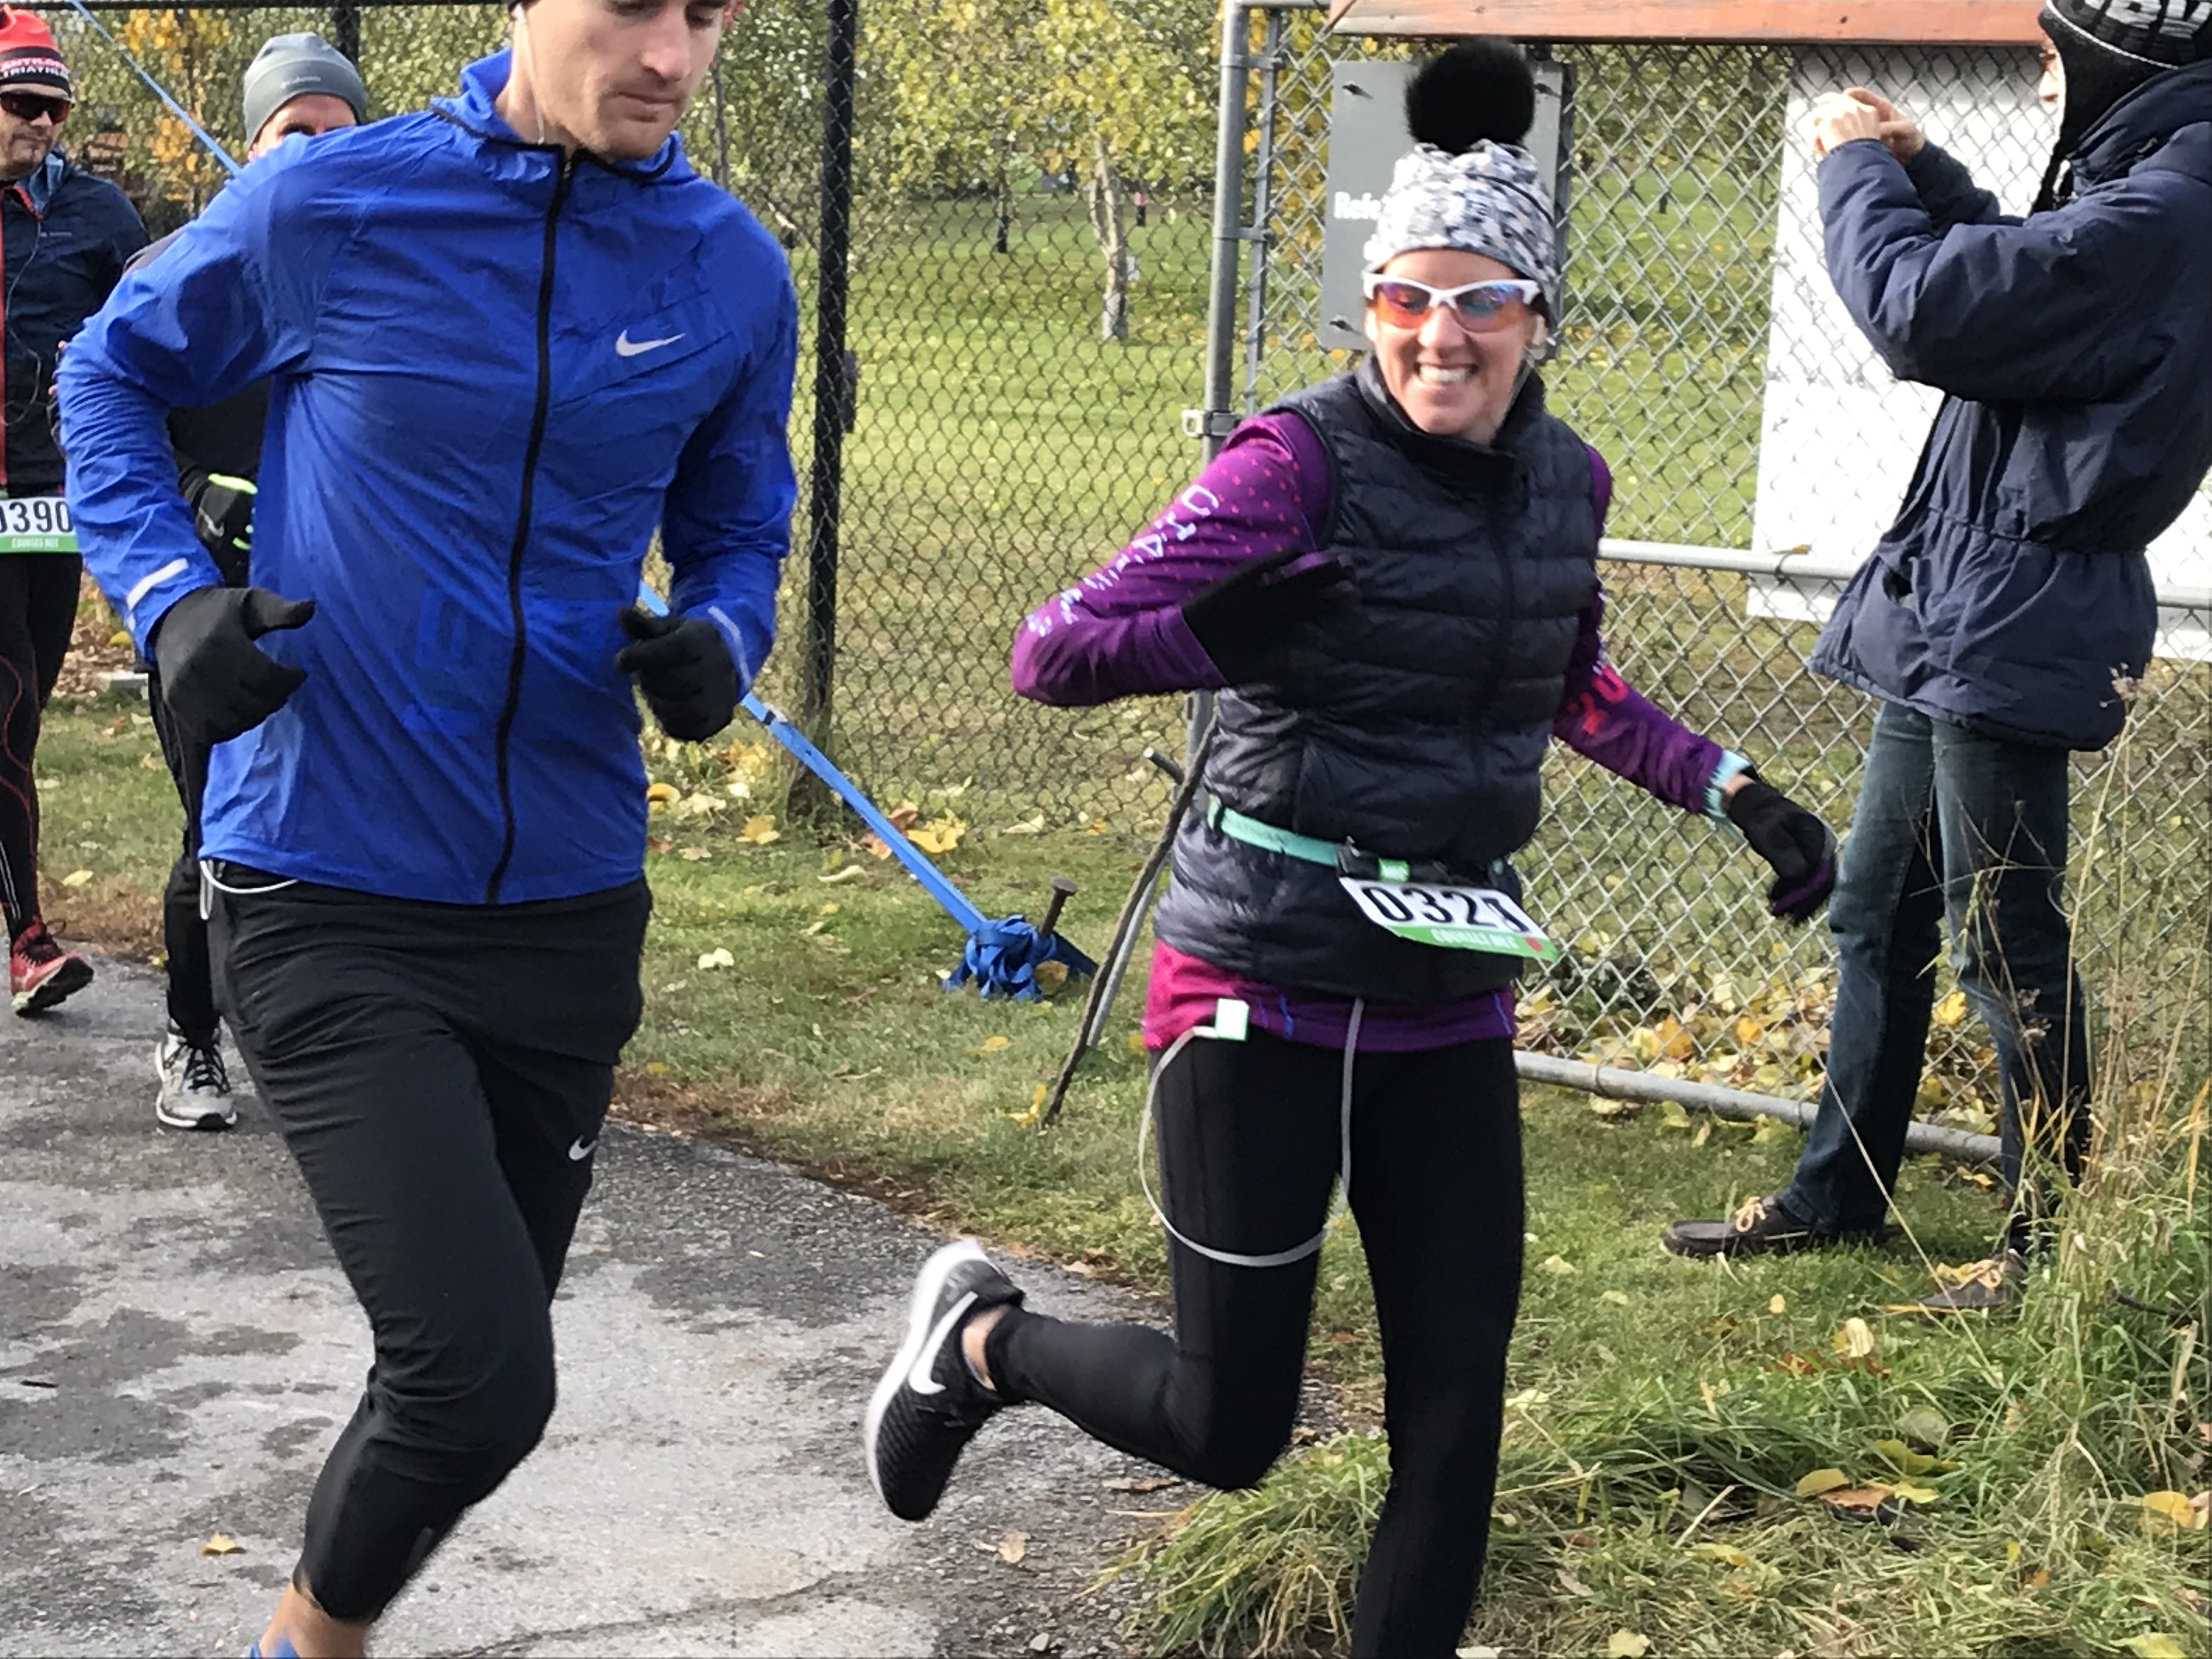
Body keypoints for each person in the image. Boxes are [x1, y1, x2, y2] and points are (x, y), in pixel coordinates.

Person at [861, 42, 1835, 1659]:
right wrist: (1214, 628)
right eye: (1405, 301)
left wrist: (1733, 787)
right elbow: (1053, 652)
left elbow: (1568, 679)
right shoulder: (1291, 464)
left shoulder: (1569, 481)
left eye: (1479, 300)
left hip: (1445, 990)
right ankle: (983, 1346)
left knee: (1453, 1435)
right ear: (1369, 309)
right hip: (1264, 978)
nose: (1439, 336)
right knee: (1229, 1425)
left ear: (1538, 315)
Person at [59, 0, 795, 1648]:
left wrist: (722, 640)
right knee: (479, 1383)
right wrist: (175, 599)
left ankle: (307, 1633)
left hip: (570, 900)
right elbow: (108, 370)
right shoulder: (335, 205)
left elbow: (744, 521)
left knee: (463, 1384)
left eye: (711, 12)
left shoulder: (731, 267)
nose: (673, 56)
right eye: (633, 9)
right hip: (325, 876)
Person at [1662, 0, 2212, 1310]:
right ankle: (1836, 1192)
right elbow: (2027, 286)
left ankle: (2046, 1250)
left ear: (2119, 56)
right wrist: (1927, 174)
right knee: (1881, 908)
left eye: (2048, 58)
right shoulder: (2148, 180)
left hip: (2022, 599)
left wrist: (1855, 169)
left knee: (2004, 935)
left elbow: (1932, 312)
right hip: (1970, 590)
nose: (2037, 86)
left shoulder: (2175, 203)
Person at [134, 31, 369, 1131]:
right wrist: (196, 498)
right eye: (292, 131)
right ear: (249, 146)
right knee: (221, 832)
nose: (315, 149)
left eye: (336, 130)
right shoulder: (188, 271)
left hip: (355, 610)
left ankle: (334, 1038)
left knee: (356, 829)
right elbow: (110, 412)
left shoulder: (396, 279)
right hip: (216, 613)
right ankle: (191, 1039)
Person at [0, 4, 145, 1014]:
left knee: (28, 716)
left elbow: (151, 341)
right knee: (3, 720)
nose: (43, 123)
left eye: (56, 107)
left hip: (49, 502)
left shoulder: (99, 215)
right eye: (21, 104)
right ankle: (29, 941)